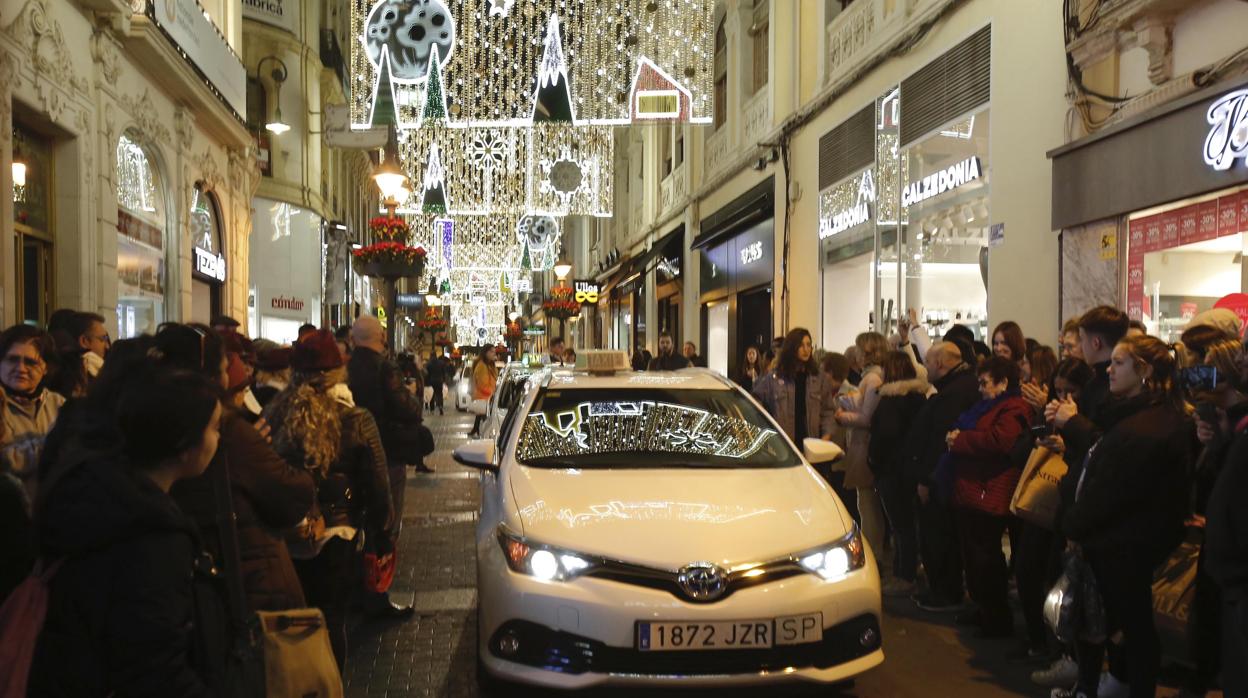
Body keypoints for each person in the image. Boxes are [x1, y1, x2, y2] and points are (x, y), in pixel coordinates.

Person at [30, 368, 227, 697]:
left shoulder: (92, 491)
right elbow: (154, 669)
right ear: (183, 443)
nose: (219, 439)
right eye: (215, 428)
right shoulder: (151, 534)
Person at [1051, 335, 1193, 698]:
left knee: (1125, 626)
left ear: (1143, 371)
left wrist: (1073, 524)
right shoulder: (1136, 417)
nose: (1109, 370)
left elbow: (1111, 492)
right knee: (1119, 625)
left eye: (1119, 363)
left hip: (1124, 544)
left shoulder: (1144, 427)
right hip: (1121, 541)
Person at [154, 324, 315, 615]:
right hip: (238, 584)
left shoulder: (137, 424)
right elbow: (291, 493)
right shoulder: (228, 434)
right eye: (227, 367)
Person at [266, 330, 395, 669]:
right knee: (332, 618)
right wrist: (383, 535)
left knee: (296, 616)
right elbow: (379, 483)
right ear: (339, 372)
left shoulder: (276, 414)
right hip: (338, 534)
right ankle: (330, 683)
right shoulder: (355, 418)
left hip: (287, 533)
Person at [944, 356, 1030, 638]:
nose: (980, 389)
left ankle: (995, 618)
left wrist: (961, 440)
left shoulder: (1013, 408)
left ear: (1003, 383)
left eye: (985, 383)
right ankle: (983, 609)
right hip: (974, 489)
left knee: (986, 558)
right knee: (976, 556)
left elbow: (999, 441)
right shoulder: (990, 406)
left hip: (989, 490)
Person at [1014, 358, 1093, 663]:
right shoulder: (1049, 412)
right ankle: (1039, 642)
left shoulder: (1087, 421)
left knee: (1060, 581)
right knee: (1028, 571)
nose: (1063, 398)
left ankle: (1062, 654)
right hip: (1042, 506)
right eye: (1058, 391)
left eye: (1071, 391)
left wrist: (1068, 442)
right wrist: (1040, 436)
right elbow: (1016, 452)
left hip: (1069, 510)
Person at [347, 315, 422, 617]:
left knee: (358, 525)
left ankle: (358, 590)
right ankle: (377, 594)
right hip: (386, 456)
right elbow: (409, 409)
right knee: (386, 522)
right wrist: (413, 396)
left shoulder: (346, 368)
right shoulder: (385, 368)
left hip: (352, 458)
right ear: (380, 337)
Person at [869, 350, 931, 597]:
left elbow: (885, 437)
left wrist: (874, 460)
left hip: (892, 471)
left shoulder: (891, 402)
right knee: (911, 523)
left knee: (900, 525)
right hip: (913, 470)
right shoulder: (920, 399)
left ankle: (904, 575)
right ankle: (909, 569)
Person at [834, 331, 891, 555]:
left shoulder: (873, 378)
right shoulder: (871, 376)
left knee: (868, 505)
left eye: (859, 348)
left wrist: (842, 416)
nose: (856, 352)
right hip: (861, 444)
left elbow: (868, 417)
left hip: (865, 445)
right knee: (865, 503)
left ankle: (872, 553)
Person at [0, 325, 65, 501]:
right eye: (12, 360)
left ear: (45, 367)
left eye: (30, 362)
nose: (20, 369)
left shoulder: (58, 404)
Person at [751, 328, 836, 449]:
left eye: (809, 345)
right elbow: (755, 405)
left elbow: (827, 411)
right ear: (791, 348)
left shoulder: (818, 378)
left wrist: (825, 439)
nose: (806, 349)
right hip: (783, 447)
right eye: (801, 345)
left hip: (813, 445)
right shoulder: (775, 378)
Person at [469, 345, 499, 438]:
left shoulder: (490, 364)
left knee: (483, 418)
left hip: (487, 397)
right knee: (487, 420)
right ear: (486, 353)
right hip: (484, 397)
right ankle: (482, 434)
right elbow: (483, 384)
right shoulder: (482, 366)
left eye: (494, 352)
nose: (494, 354)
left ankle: (476, 430)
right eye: (492, 352)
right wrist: (493, 393)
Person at [425, 349, 450, 415]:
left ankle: (432, 410)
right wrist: (444, 380)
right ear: (436, 355)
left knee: (432, 395)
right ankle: (440, 407)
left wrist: (426, 382)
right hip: (439, 381)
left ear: (431, 356)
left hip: (431, 381)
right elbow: (444, 372)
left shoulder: (428, 364)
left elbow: (427, 374)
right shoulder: (441, 363)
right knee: (439, 394)